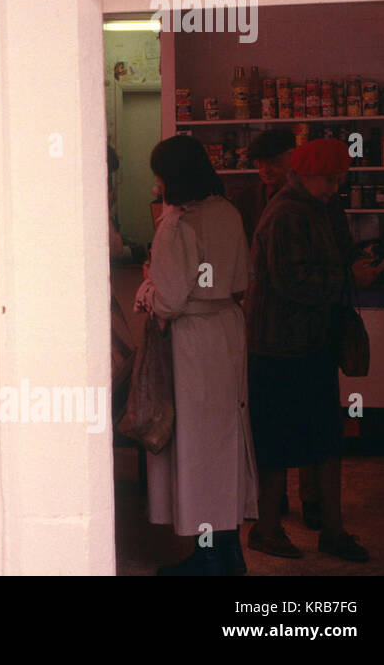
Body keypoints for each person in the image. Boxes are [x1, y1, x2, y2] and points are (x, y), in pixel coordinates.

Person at [135, 135, 256, 575]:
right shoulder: (226, 212)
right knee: (225, 443)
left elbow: (168, 302)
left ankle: (207, 558)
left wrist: (148, 286)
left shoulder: (176, 224)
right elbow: (240, 278)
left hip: (191, 340)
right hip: (227, 328)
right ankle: (229, 551)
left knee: (196, 448)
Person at [245, 138, 370, 562]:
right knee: (283, 442)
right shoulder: (286, 214)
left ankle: (329, 530)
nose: (335, 187)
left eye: (339, 179)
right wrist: (348, 274)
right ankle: (267, 530)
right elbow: (293, 282)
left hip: (305, 342)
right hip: (279, 346)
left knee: (322, 438)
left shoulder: (312, 207)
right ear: (306, 173)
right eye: (330, 178)